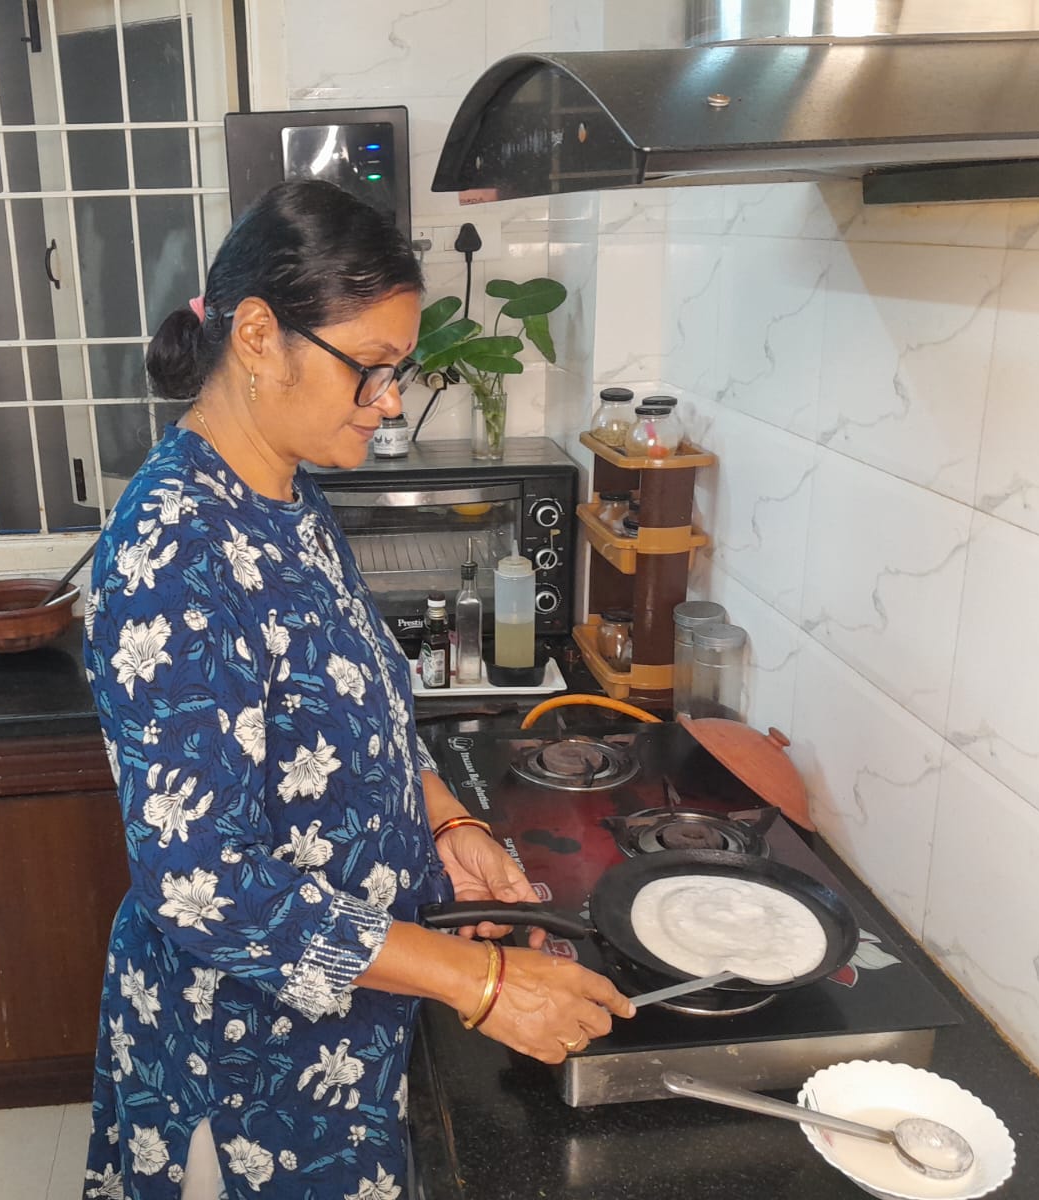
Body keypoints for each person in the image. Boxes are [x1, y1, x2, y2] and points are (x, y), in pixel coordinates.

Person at [82, 179, 633, 1200]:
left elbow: (367, 702)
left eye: (398, 371)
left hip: (347, 1025)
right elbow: (203, 885)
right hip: (244, 1063)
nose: (389, 404)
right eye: (370, 369)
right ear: (259, 336)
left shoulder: (288, 494)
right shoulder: (175, 551)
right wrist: (482, 982)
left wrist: (445, 822)